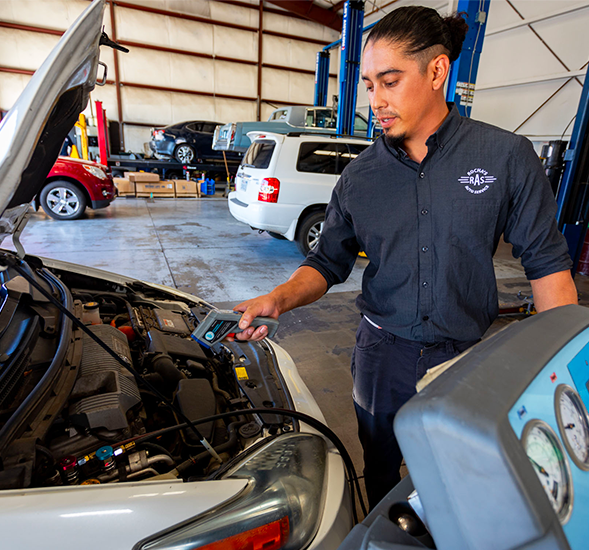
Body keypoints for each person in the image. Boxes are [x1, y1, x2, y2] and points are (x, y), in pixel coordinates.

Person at [230, 6, 578, 510]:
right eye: (369, 85)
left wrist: (558, 376)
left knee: (455, 468)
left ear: (436, 71)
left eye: (389, 82)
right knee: (379, 462)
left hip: (464, 354)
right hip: (381, 356)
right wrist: (278, 299)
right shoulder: (359, 177)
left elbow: (547, 265)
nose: (376, 101)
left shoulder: (504, 157)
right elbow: (328, 262)